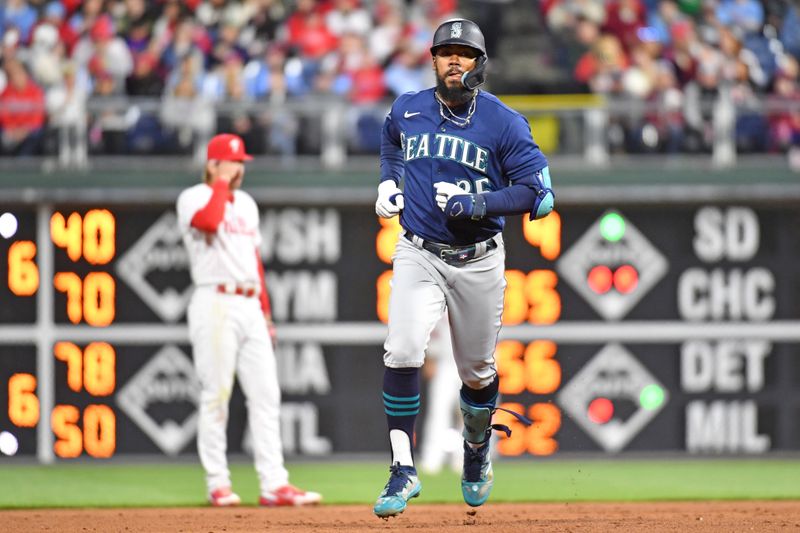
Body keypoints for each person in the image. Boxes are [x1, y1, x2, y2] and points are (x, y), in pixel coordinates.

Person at [372, 18, 555, 518]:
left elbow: (541, 197)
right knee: (403, 348)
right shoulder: (407, 108)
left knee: (476, 374)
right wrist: (390, 180)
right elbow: (391, 141)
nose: (455, 59)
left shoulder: (503, 121)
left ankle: (476, 448)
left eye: (465, 53)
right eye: (446, 51)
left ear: (480, 63)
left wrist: (478, 203)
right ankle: (403, 467)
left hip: (477, 260)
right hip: (419, 251)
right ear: (432, 59)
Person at [176, 133, 321, 508]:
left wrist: (267, 313)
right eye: (232, 162)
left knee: (267, 394)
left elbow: (254, 262)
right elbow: (208, 223)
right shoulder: (193, 197)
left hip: (249, 302)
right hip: (214, 299)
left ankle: (274, 483)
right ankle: (217, 483)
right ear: (213, 164)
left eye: (241, 162)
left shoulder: (246, 204)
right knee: (216, 395)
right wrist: (220, 183)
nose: (240, 168)